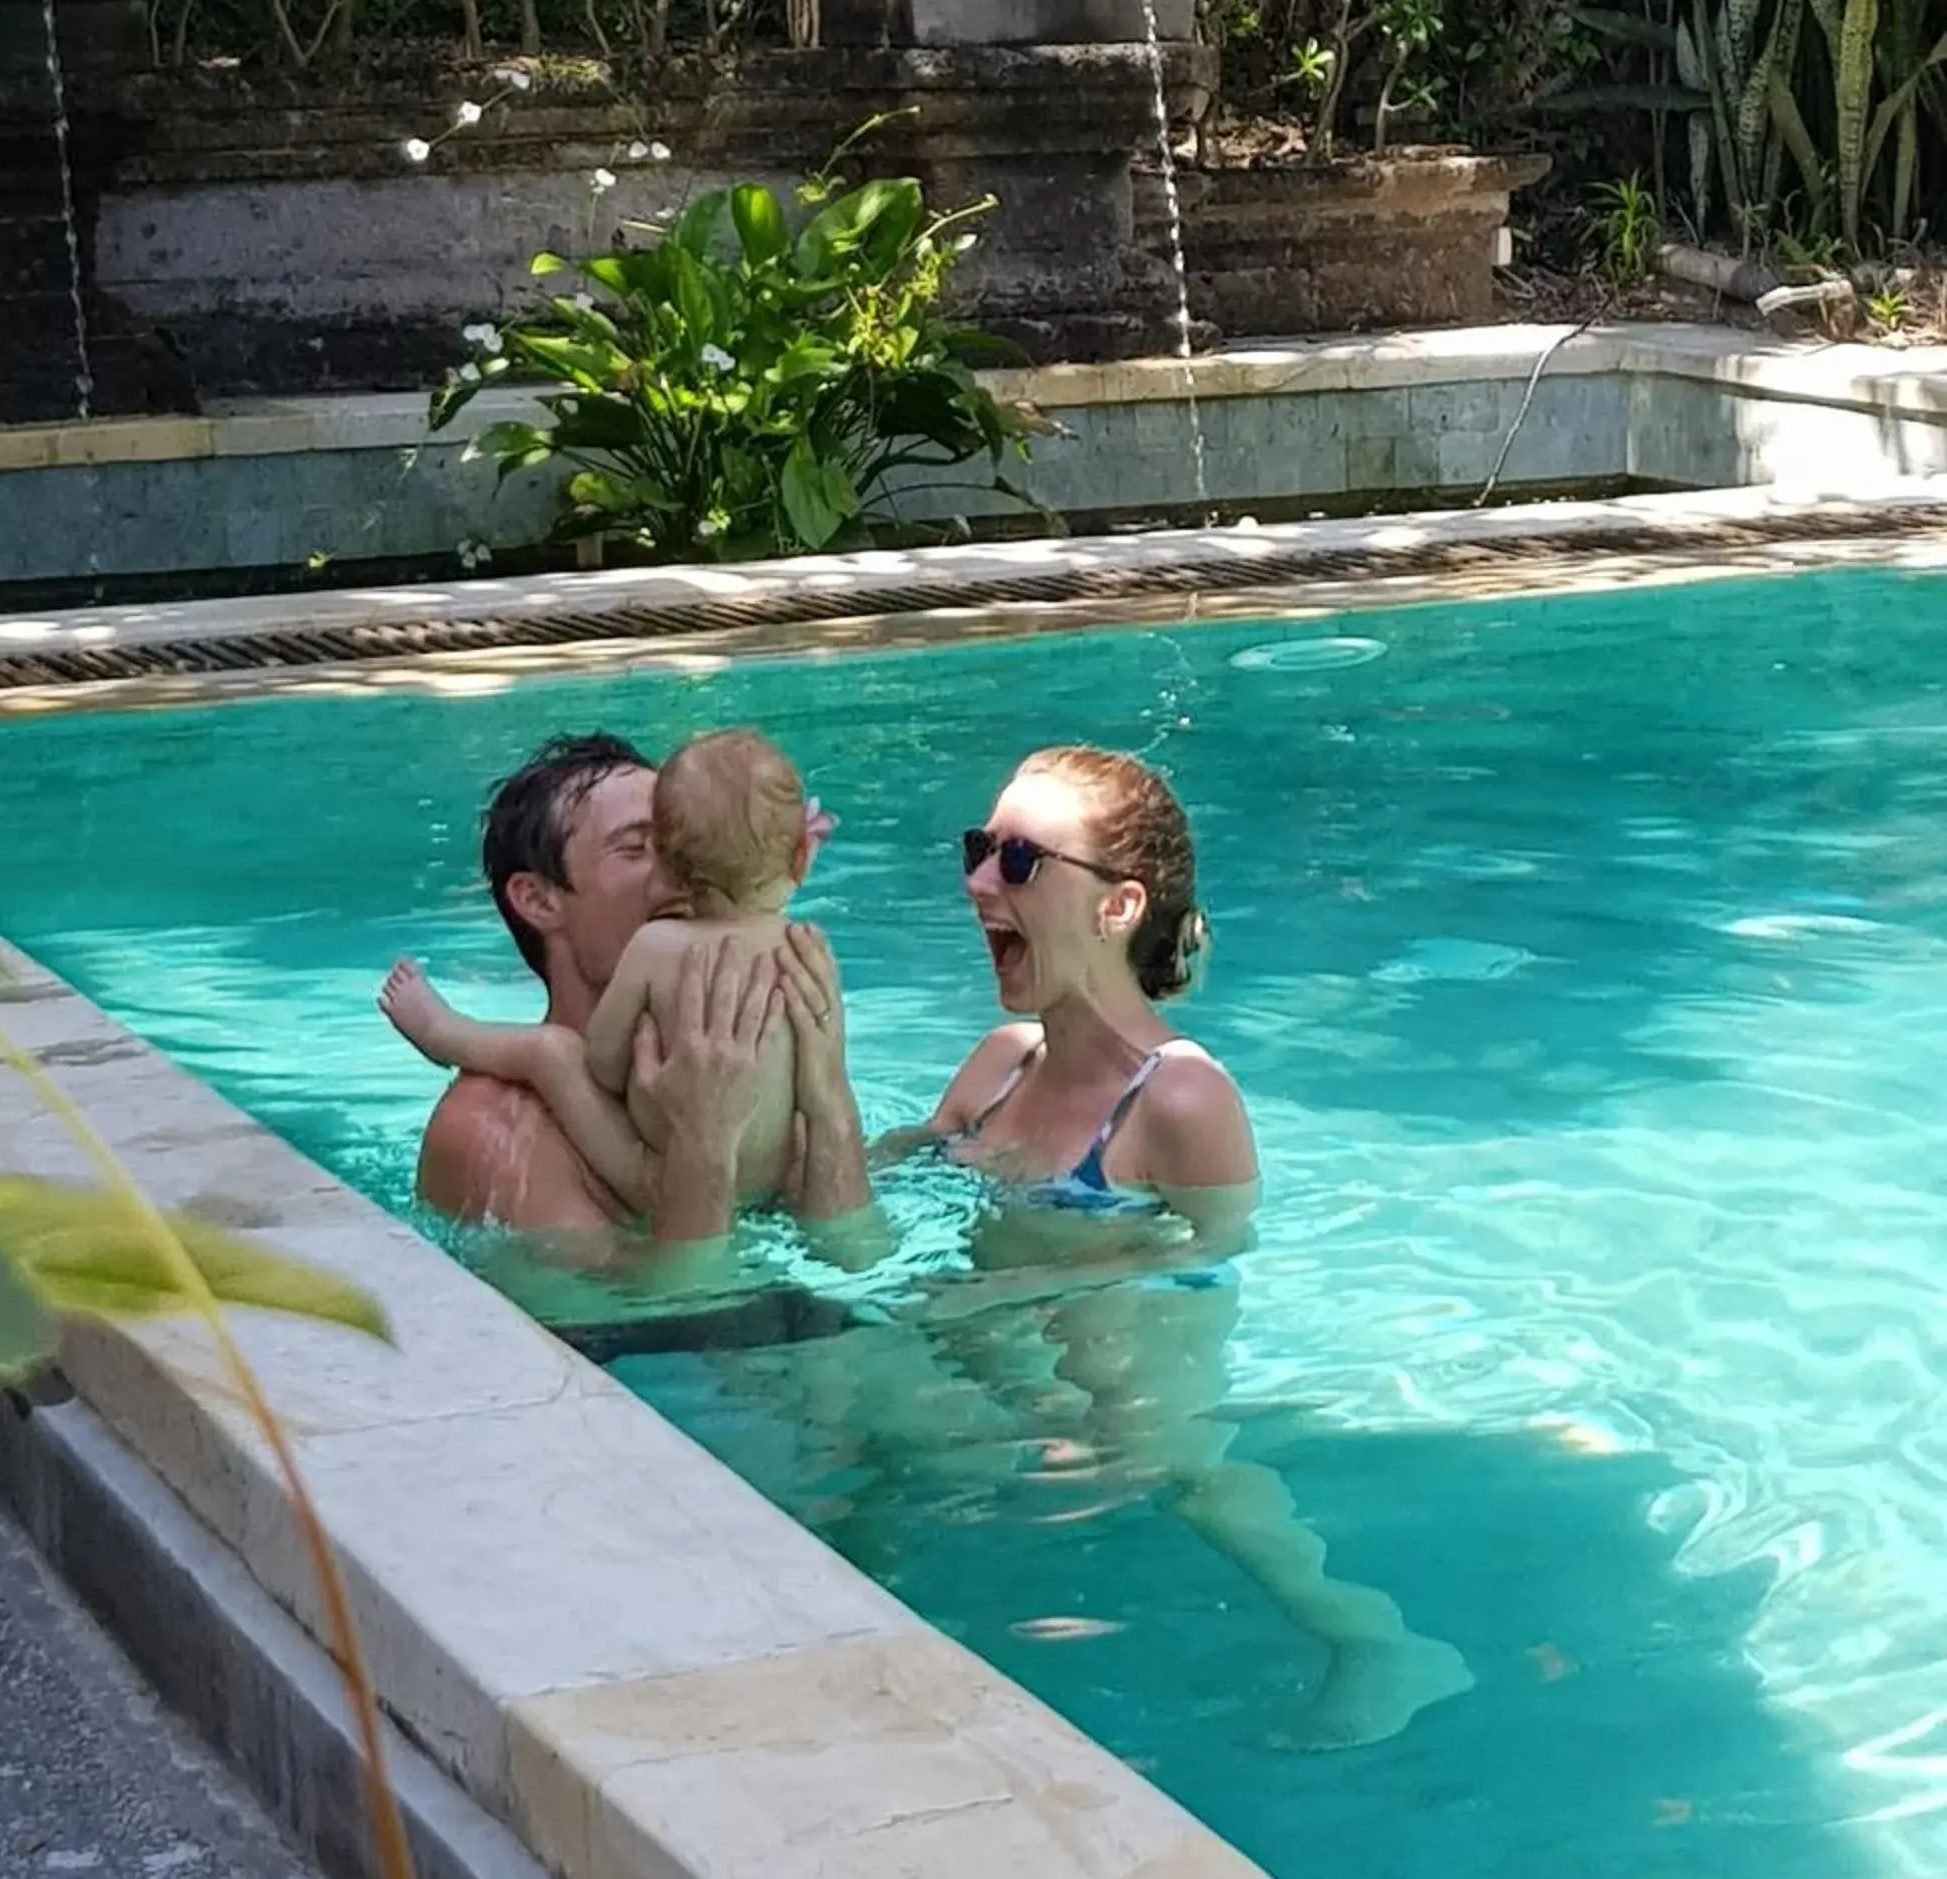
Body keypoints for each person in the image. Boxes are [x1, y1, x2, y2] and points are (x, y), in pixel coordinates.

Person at [877, 742, 1470, 1747]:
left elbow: (1216, 1244)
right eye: (979, 849)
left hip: (1125, 1356)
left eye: (1020, 861)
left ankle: (1379, 1643)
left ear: (1118, 907)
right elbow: (891, 1173)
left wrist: (1021, 1289)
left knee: (1182, 1462)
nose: (979, 880)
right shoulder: (999, 1068)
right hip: (999, 1353)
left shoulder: (1179, 1098)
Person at [391, 732, 867, 1258]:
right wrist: (702, 1146)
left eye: (692, 842)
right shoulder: (494, 1134)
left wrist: (830, 1099)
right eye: (639, 848)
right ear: (539, 899)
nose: (687, 874)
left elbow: (855, 1256)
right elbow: (672, 1324)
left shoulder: (751, 1051)